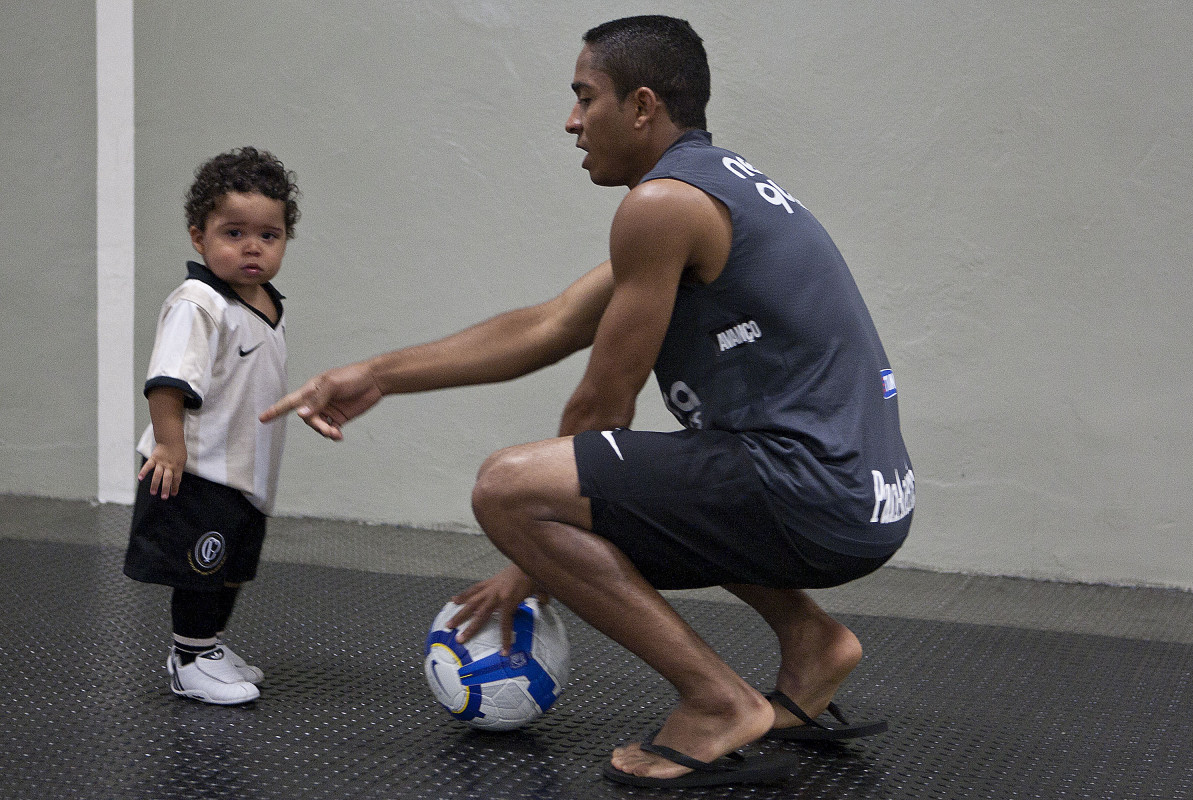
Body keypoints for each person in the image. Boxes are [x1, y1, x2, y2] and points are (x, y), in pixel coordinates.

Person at [263, 15, 913, 788]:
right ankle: (811, 643)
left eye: (584, 98)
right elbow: (549, 324)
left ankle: (715, 702)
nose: (572, 121)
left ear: (642, 107)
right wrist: (376, 374)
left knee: (507, 487)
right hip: (858, 495)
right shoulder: (709, 188)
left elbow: (602, 412)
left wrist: (528, 554)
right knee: (675, 479)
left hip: (816, 493)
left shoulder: (662, 205)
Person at [124, 147, 300, 705]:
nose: (253, 247)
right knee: (201, 566)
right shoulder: (199, 303)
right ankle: (190, 657)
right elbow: (167, 382)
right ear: (199, 237)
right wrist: (171, 448)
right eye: (234, 233)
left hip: (243, 471)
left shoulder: (268, 303)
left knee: (230, 569)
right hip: (198, 469)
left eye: (269, 236)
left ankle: (209, 646)